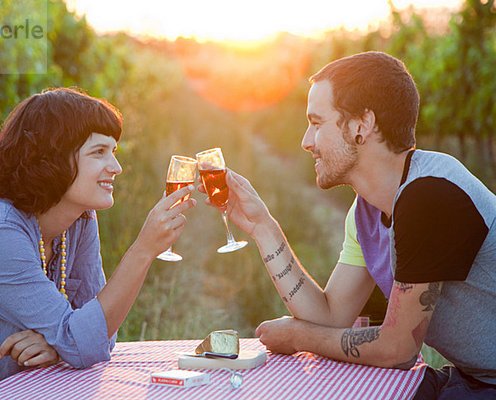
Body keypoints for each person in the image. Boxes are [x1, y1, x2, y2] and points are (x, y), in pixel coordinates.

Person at [199, 52, 496, 398]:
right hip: (477, 380)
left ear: (361, 125)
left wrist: (298, 336)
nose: (306, 141)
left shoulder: (430, 193)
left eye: (317, 122)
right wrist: (262, 226)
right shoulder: (366, 212)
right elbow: (330, 315)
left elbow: (397, 349)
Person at [0, 87, 196, 399]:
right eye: (98, 152)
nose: (115, 167)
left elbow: (100, 335)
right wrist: (143, 250)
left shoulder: (79, 219)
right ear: (53, 156)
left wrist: (57, 346)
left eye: (114, 152)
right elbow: (85, 339)